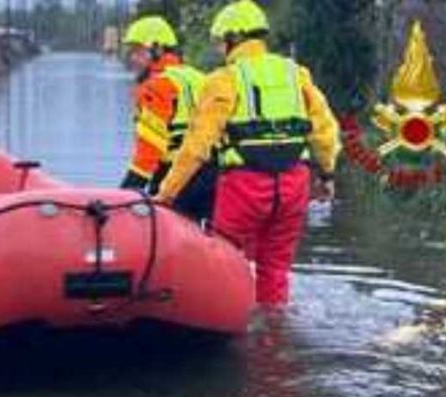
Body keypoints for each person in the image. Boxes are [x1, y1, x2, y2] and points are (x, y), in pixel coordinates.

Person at [155, 0, 340, 308]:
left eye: (219, 42)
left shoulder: (224, 80)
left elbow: (196, 147)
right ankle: (272, 335)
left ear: (233, 39)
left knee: (223, 261)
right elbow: (325, 130)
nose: (218, 49)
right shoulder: (296, 74)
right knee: (276, 270)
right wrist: (328, 174)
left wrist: (166, 194)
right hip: (294, 184)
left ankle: (223, 327)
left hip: (245, 187)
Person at [119, 16, 217, 222]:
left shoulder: (156, 86)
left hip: (175, 178)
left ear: (157, 50)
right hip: (212, 176)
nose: (132, 58)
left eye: (138, 51)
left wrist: (123, 195)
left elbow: (150, 150)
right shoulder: (202, 78)